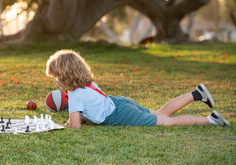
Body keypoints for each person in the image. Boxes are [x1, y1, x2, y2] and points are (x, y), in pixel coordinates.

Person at [46, 49, 230, 129]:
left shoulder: (75, 96)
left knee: (168, 122)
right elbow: (89, 112)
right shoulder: (87, 84)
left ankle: (211, 121)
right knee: (161, 113)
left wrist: (68, 124)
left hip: (120, 114)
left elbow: (75, 126)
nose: (55, 82)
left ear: (66, 76)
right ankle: (197, 94)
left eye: (56, 77)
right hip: (119, 103)